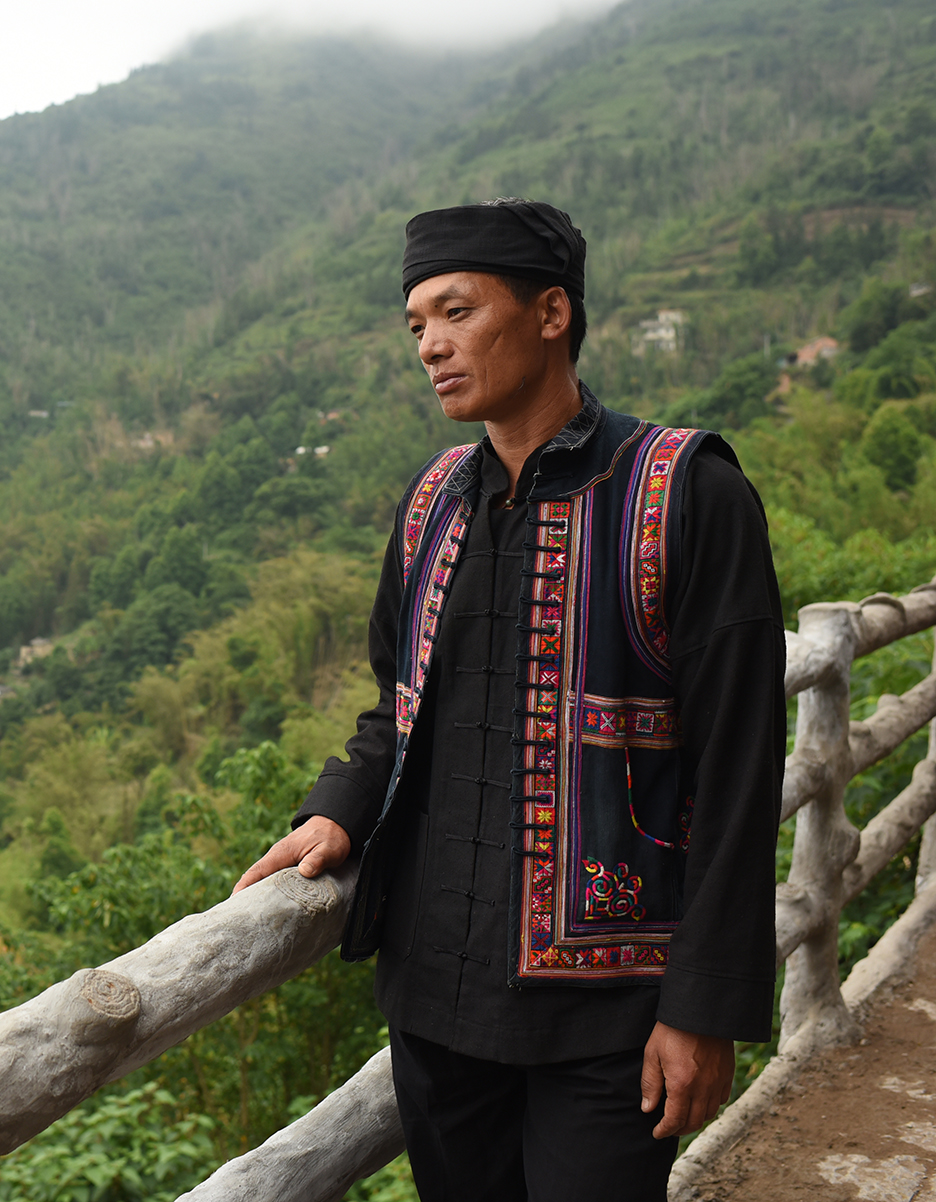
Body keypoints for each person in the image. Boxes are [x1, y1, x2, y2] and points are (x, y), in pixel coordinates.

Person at [232, 199, 783, 1202]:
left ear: (551, 311)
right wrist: (336, 807)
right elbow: (395, 709)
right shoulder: (432, 502)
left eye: (455, 311)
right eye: (415, 326)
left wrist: (702, 1006)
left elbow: (740, 771)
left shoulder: (685, 492)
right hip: (437, 999)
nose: (431, 345)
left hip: (613, 1014)